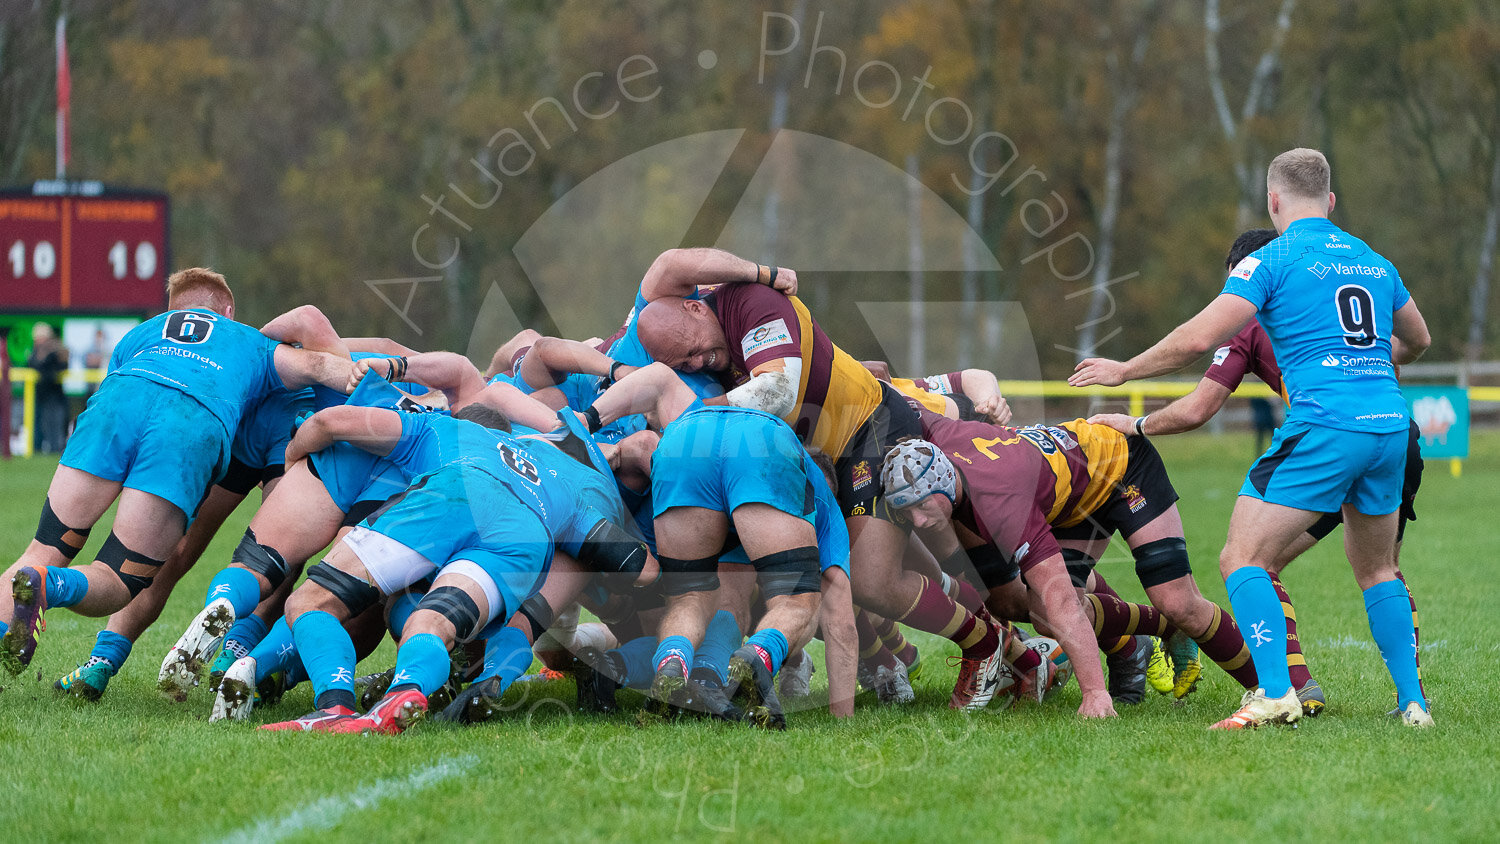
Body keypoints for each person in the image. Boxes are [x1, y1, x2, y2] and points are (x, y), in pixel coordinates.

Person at [1070, 148, 1434, 729]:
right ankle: (1414, 704)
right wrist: (1367, 363)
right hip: (1391, 427)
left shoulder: (1271, 259)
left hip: (1325, 425)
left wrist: (1124, 370)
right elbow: (1418, 340)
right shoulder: (1374, 260)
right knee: (1377, 569)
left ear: (1273, 200)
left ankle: (1276, 694)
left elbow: (1197, 339)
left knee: (1241, 558)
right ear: (1330, 200)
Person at [634, 248, 1007, 712]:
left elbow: (776, 390)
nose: (697, 362)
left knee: (870, 580)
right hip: (808, 456)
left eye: (694, 349)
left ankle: (988, 644)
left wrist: (695, 415)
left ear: (694, 307)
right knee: (831, 572)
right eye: (683, 363)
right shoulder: (666, 330)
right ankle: (943, 655)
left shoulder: (753, 300)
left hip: (867, 432)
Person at [0, 268, 354, 676]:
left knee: (44, 547)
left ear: (171, 312)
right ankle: (51, 584)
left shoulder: (140, 334)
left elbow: (117, 386)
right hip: (191, 424)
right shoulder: (248, 340)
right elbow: (319, 363)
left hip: (117, 404)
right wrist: (391, 376)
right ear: (228, 310)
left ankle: (68, 630)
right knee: (121, 576)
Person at [27, 322, 69, 454]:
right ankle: (37, 448)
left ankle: (55, 449)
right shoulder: (35, 353)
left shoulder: (55, 351)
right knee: (38, 424)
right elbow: (32, 365)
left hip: (54, 395)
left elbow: (57, 370)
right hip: (39, 395)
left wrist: (46, 358)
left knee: (55, 424)